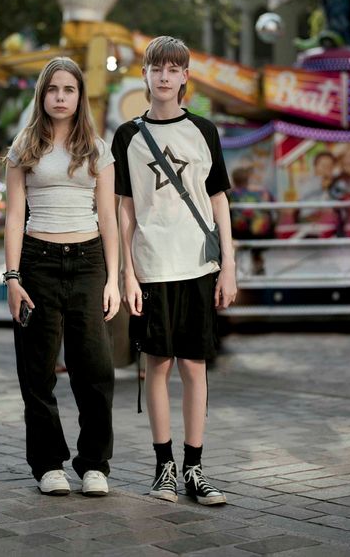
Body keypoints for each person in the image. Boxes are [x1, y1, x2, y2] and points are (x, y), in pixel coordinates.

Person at [112, 36, 237, 506]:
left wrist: (228, 266)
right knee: (157, 366)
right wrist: (126, 272)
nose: (163, 76)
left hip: (199, 264)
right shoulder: (127, 136)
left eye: (173, 69)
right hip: (152, 265)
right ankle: (163, 468)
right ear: (143, 75)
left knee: (195, 367)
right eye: (155, 68)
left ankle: (195, 469)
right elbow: (124, 209)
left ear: (185, 76)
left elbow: (219, 200)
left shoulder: (204, 131)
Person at [3, 57, 119, 498]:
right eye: (53, 89)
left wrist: (113, 279)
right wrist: (13, 278)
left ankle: (94, 464)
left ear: (79, 96)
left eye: (68, 89)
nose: (60, 97)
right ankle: (49, 464)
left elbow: (107, 217)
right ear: (42, 94)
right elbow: (14, 217)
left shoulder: (97, 148)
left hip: (89, 260)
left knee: (95, 369)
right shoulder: (23, 147)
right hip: (38, 261)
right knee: (37, 372)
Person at [229, 165, 274, 276]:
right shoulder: (262, 192)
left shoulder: (231, 194)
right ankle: (258, 266)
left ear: (234, 179)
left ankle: (234, 270)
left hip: (239, 233)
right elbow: (273, 207)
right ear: (248, 179)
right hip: (262, 233)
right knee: (257, 225)